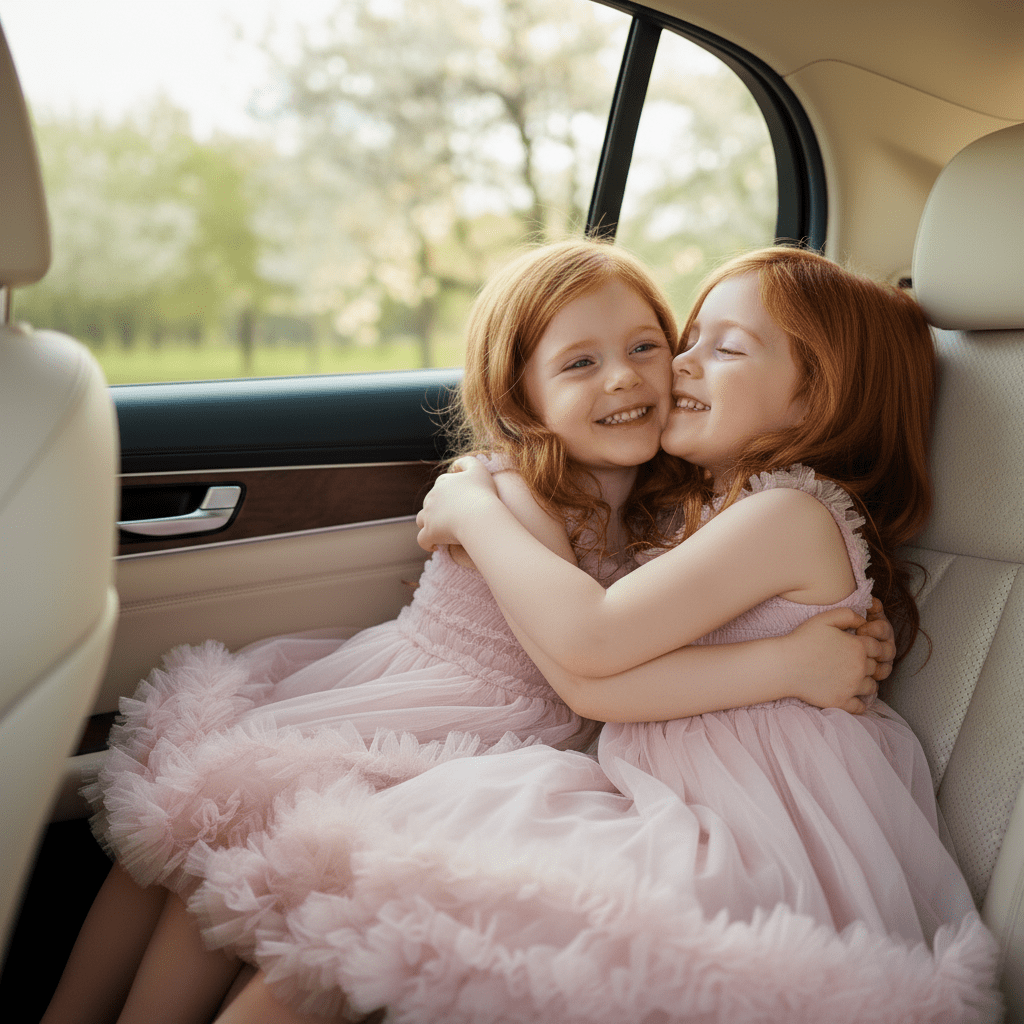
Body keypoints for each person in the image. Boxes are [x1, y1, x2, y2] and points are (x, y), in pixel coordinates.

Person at [188, 246, 999, 1023]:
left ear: (818, 397)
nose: (678, 366)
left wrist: (473, 511)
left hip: (742, 835)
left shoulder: (785, 512)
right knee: (365, 897)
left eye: (725, 349)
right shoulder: (709, 507)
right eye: (688, 341)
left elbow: (593, 647)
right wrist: (787, 661)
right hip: (666, 786)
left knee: (388, 888)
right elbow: (595, 684)